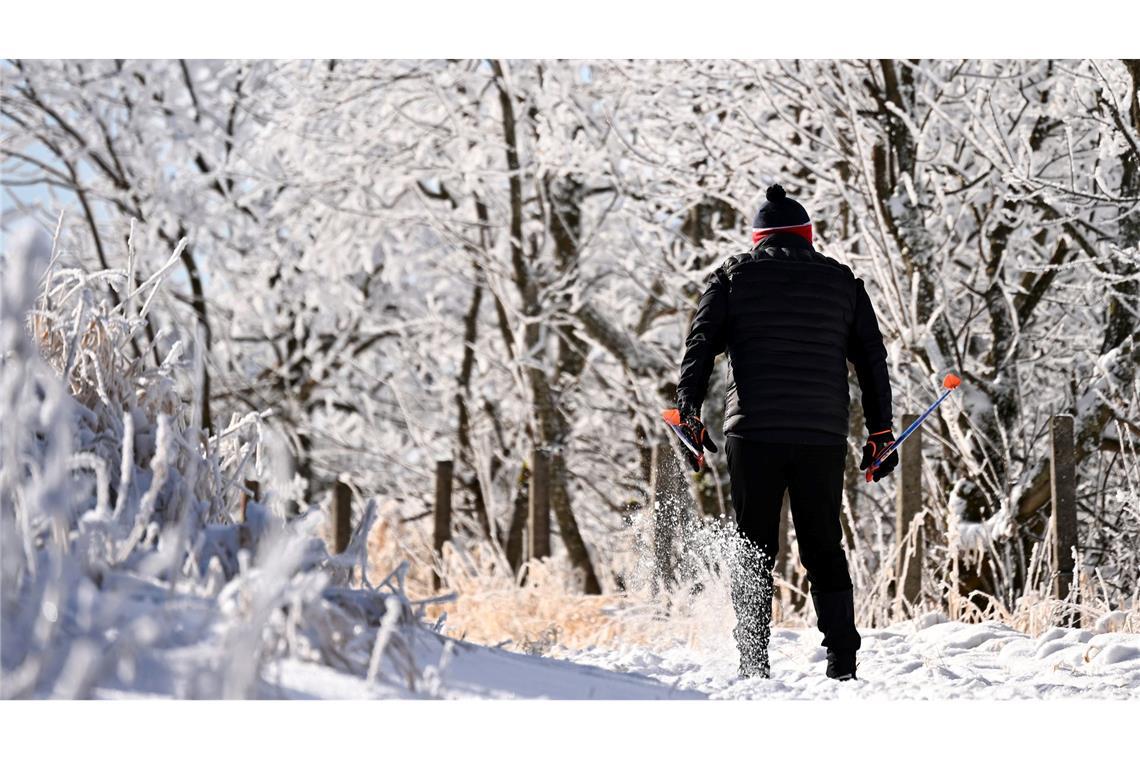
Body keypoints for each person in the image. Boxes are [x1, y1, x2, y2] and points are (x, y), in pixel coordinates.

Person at [669, 184, 896, 681]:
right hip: (822, 433)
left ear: (758, 238)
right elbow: (873, 360)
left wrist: (688, 411)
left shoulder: (731, 278)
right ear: (807, 237)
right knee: (823, 545)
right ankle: (842, 660)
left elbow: (700, 345)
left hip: (754, 432)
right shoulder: (844, 283)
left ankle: (754, 661)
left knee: (753, 544)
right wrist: (881, 430)